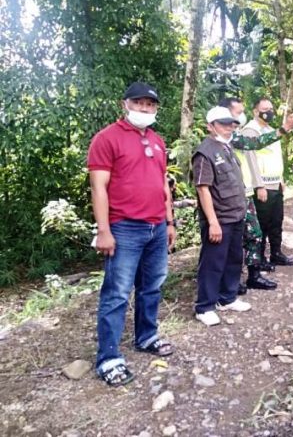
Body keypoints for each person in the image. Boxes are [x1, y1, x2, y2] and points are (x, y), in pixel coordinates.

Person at [87, 82, 176, 387]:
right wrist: (103, 230)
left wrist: (170, 221)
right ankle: (109, 358)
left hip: (155, 227)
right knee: (117, 293)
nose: (144, 109)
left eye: (150, 105)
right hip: (124, 227)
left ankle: (147, 336)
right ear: (124, 104)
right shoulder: (106, 138)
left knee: (151, 287)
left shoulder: (157, 140)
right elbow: (98, 187)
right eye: (138, 103)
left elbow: (163, 183)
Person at [220, 97, 293, 290]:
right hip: (230, 196)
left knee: (254, 233)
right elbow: (254, 149)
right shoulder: (216, 143)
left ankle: (253, 275)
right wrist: (260, 185)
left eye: (242, 112)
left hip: (244, 192)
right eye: (238, 112)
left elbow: (256, 144)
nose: (241, 116)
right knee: (233, 238)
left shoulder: (235, 137)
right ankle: (228, 281)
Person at [192, 106, 251, 327]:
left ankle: (227, 298)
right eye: (223, 124)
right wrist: (213, 222)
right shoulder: (205, 152)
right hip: (219, 219)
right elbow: (203, 189)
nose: (228, 128)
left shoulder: (227, 148)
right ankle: (205, 306)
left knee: (234, 259)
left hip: (235, 215)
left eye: (231, 123)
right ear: (210, 126)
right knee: (213, 262)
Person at [242, 98, 293, 267]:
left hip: (275, 184)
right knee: (262, 224)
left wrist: (281, 180)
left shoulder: (272, 130)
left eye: (271, 108)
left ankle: (276, 253)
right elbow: (250, 159)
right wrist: (259, 185)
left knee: (276, 221)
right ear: (255, 111)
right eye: (265, 109)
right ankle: (260, 257)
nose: (269, 112)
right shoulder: (251, 130)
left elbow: (275, 157)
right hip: (263, 186)